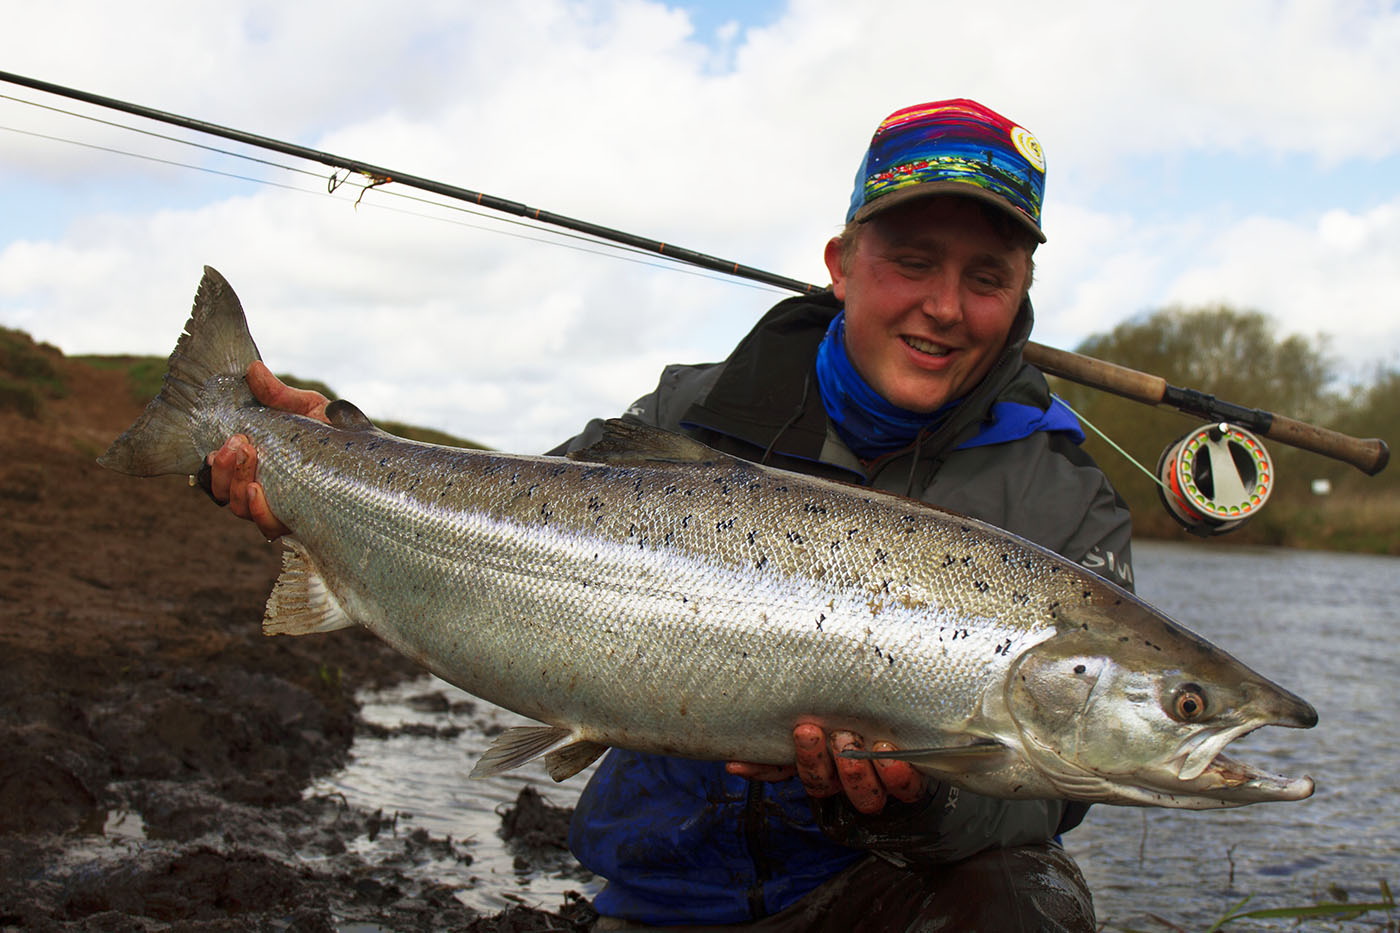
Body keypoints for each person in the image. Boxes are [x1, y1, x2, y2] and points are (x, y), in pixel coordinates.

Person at [205, 99, 1133, 931]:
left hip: (894, 898)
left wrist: (923, 802)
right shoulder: (692, 409)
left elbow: (1049, 797)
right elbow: (499, 531)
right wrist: (328, 460)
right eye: (913, 261)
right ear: (842, 266)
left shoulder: (1067, 500)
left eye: (986, 277)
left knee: (1026, 904)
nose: (943, 306)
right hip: (667, 891)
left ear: (1020, 298)